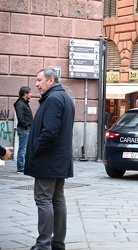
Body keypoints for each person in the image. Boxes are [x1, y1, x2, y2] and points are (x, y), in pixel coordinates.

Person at [25, 67, 75, 250]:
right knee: (57, 200)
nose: (37, 84)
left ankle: (43, 245)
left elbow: (50, 132)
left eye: (39, 80)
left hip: (48, 161)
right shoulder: (64, 98)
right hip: (58, 160)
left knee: (44, 200)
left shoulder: (53, 99)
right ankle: (57, 243)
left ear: (51, 80)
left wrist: (35, 150)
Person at [13, 86, 33, 173]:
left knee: (24, 148)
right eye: (30, 92)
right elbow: (20, 118)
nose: (31, 94)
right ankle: (20, 167)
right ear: (25, 94)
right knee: (23, 148)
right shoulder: (20, 104)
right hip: (24, 129)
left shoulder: (24, 103)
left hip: (26, 129)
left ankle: (23, 166)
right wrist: (26, 127)